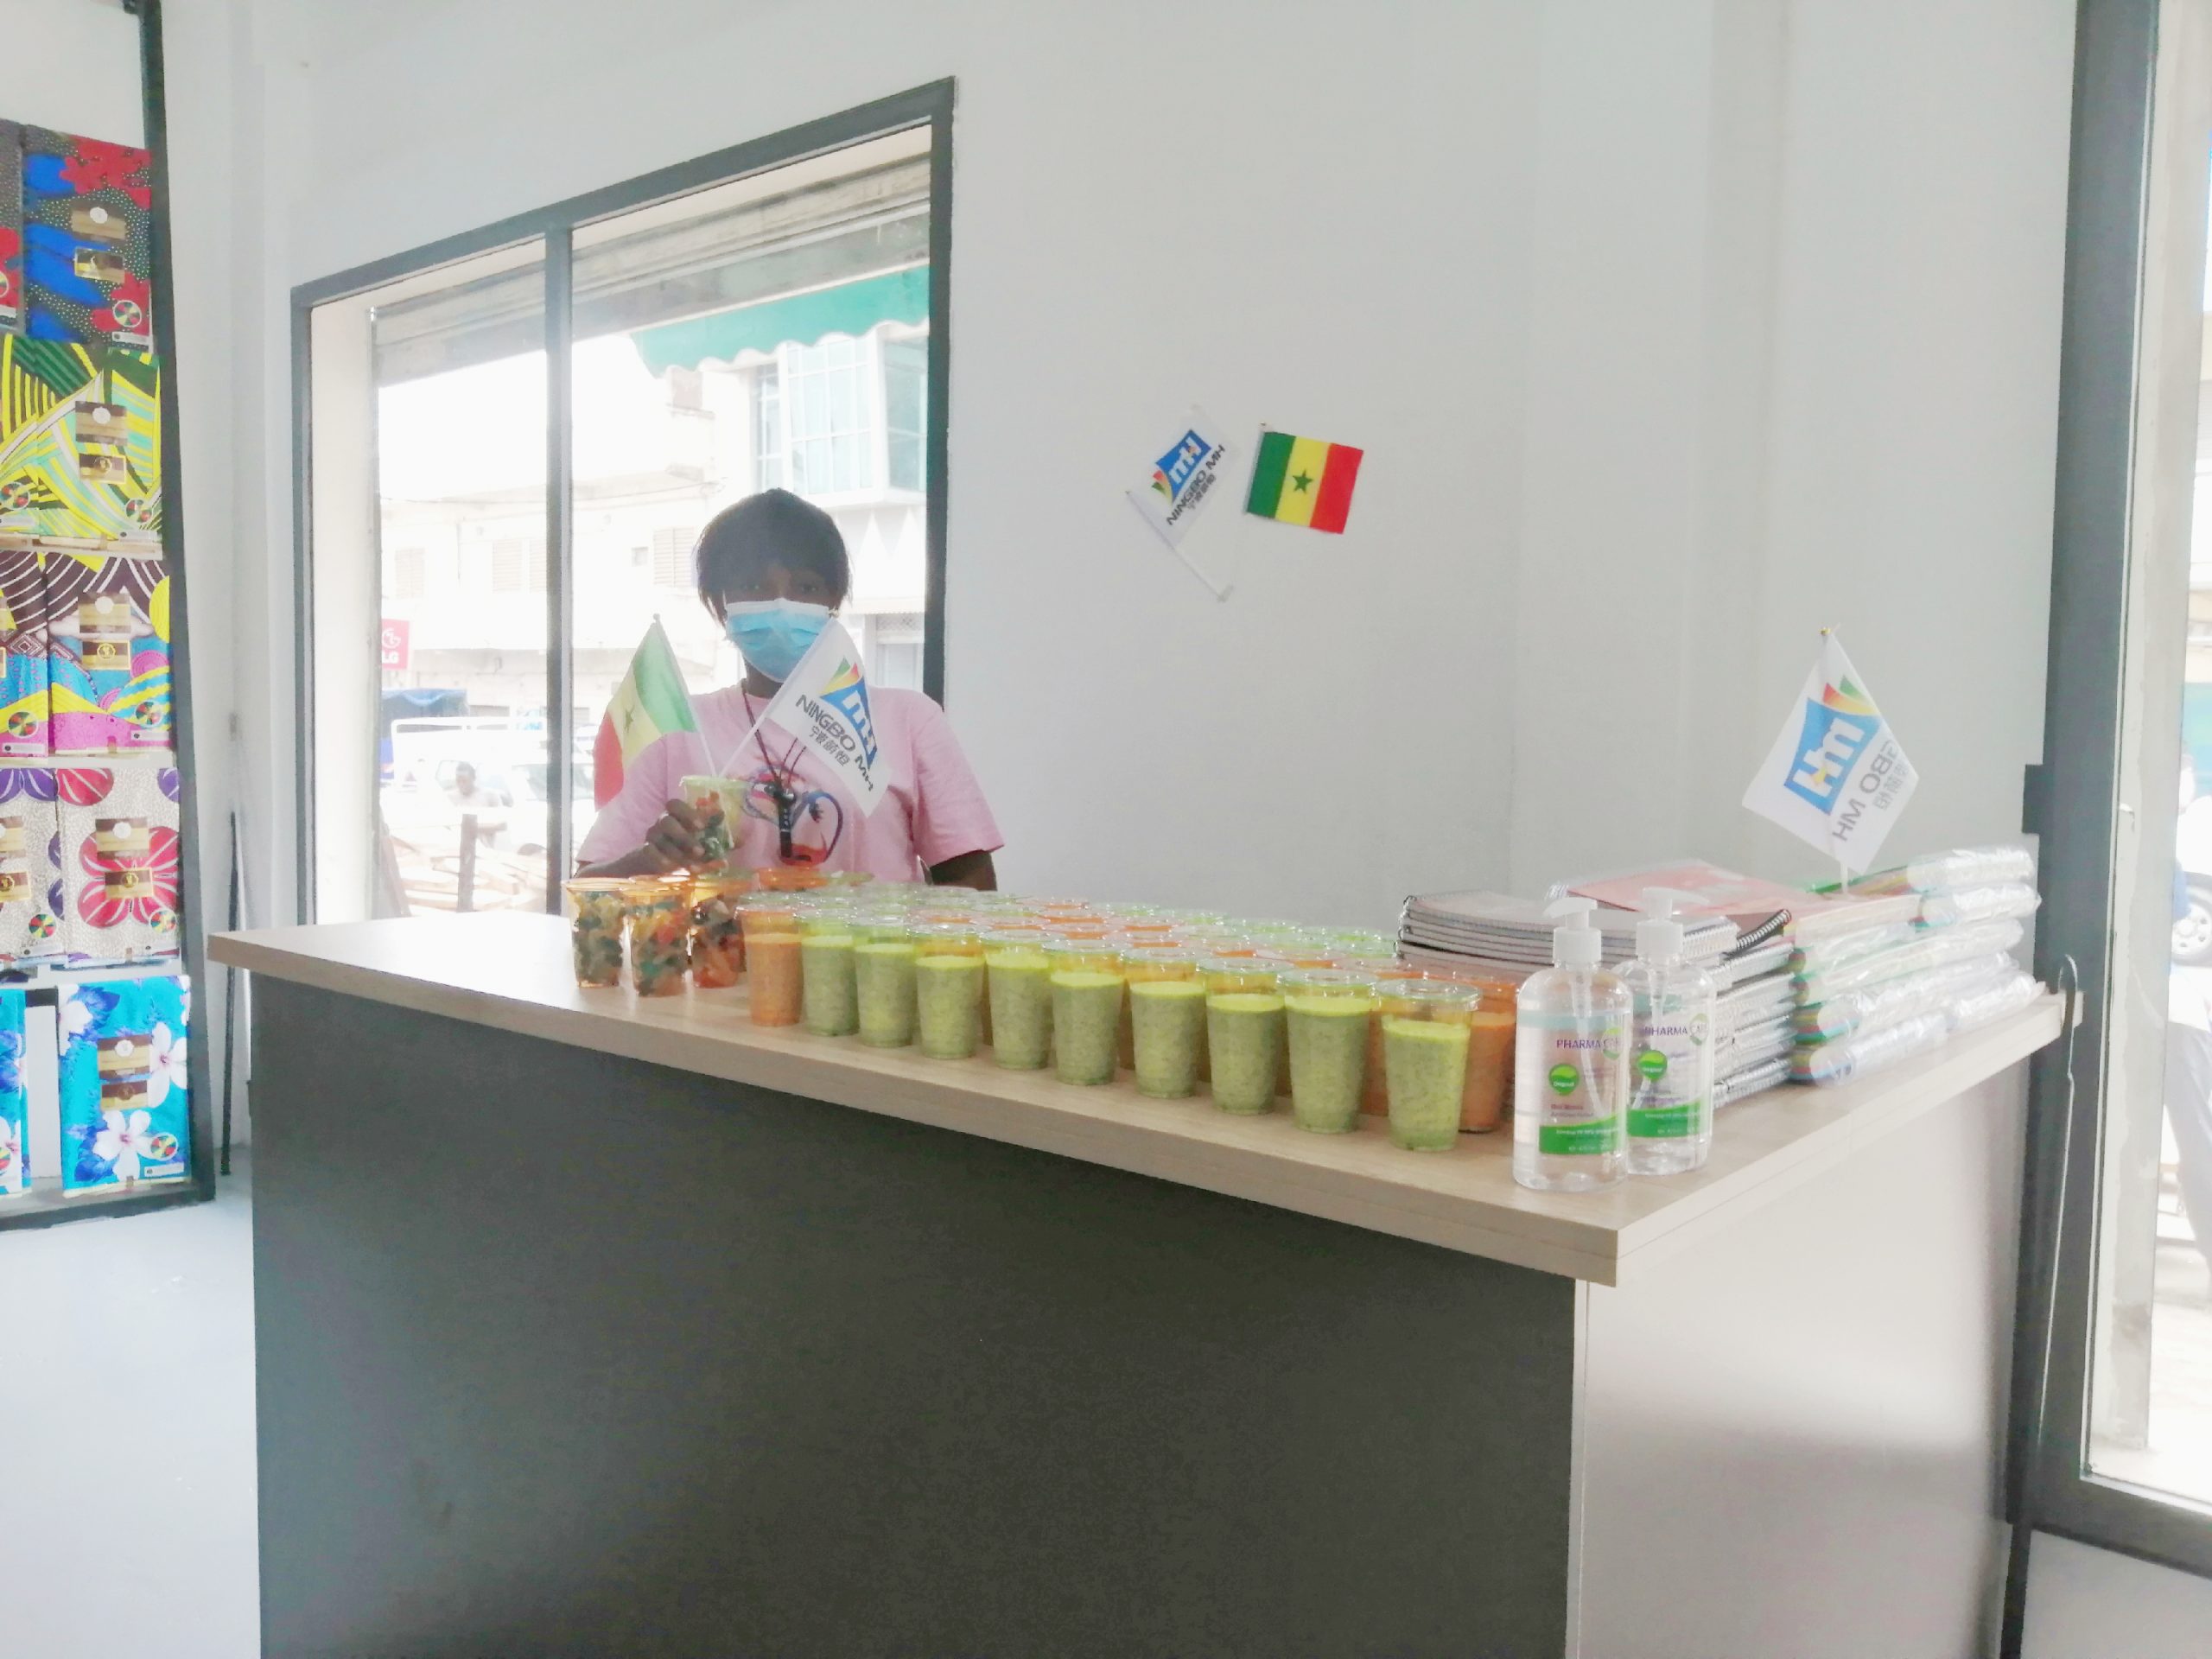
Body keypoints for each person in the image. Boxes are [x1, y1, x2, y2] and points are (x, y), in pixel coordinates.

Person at [576, 489, 1001, 887]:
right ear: (720, 603)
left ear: (833, 600)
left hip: (873, 947)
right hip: (723, 946)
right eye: (754, 586)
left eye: (806, 587)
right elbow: (587, 887)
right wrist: (650, 860)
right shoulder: (679, 730)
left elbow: (971, 886)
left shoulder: (908, 720)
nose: (781, 603)